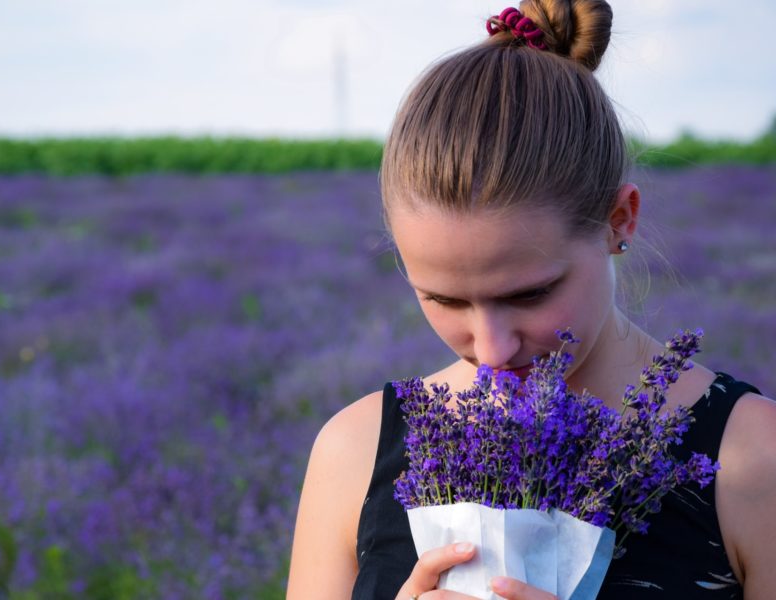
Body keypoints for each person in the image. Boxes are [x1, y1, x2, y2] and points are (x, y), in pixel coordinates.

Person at [286, 1, 776, 598]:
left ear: (618, 220)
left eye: (530, 293)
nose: (492, 350)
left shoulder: (753, 458)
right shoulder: (355, 452)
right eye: (444, 299)